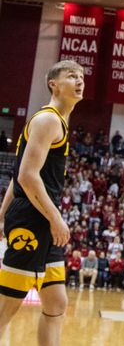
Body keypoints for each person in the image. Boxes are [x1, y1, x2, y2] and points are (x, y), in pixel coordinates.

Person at [0, 60, 83, 345]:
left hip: (39, 217)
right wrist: (55, 218)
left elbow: (16, 175)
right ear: (53, 84)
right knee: (7, 305)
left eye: (82, 75)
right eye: (72, 75)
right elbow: (27, 176)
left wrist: (1, 216)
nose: (79, 80)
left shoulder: (56, 121)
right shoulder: (48, 119)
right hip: (33, 218)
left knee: (56, 301)